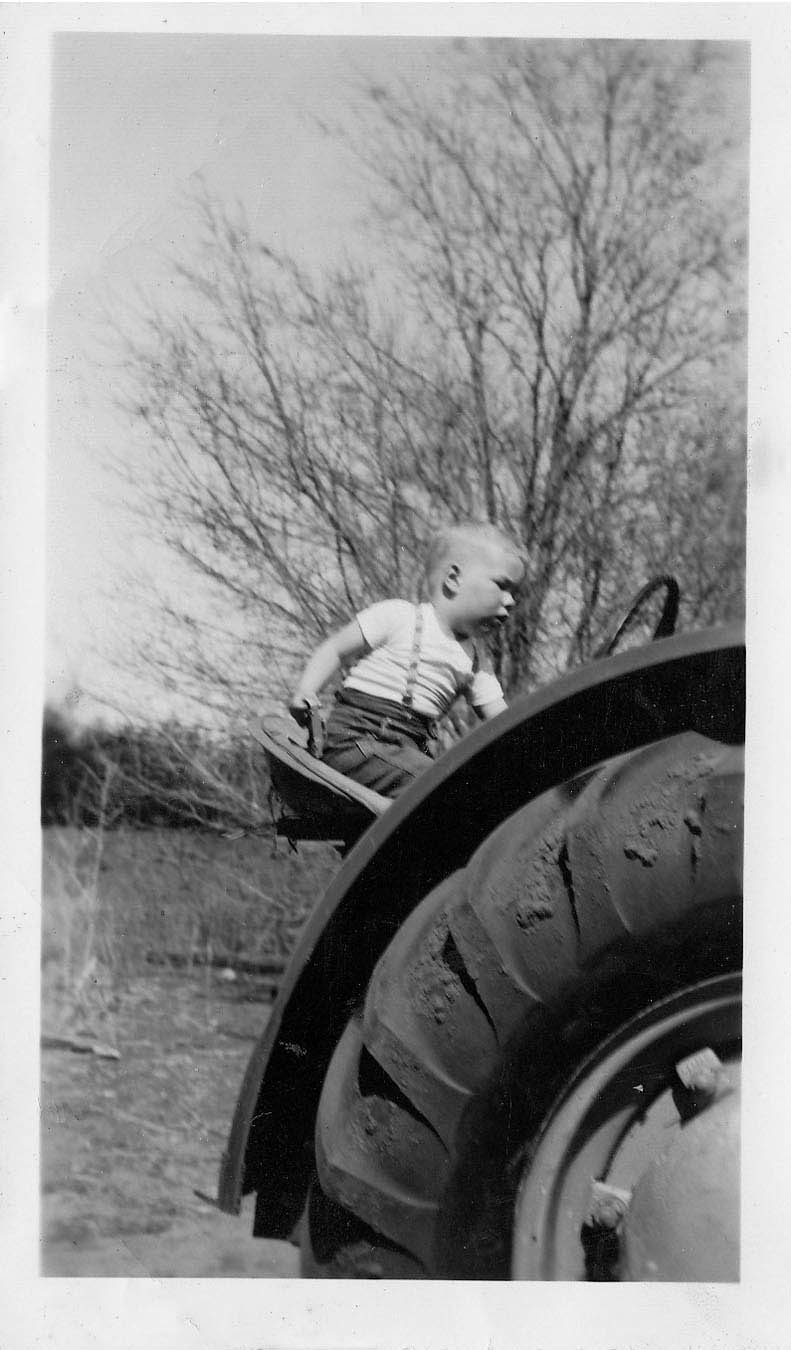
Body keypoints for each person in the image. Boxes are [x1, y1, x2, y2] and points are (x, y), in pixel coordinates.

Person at [288, 522, 525, 797]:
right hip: (355, 740)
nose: (510, 601)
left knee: (459, 788)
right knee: (439, 787)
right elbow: (335, 650)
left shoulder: (476, 661)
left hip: (407, 752)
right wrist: (305, 691)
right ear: (454, 579)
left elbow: (506, 722)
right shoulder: (401, 617)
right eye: (502, 586)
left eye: (515, 593)